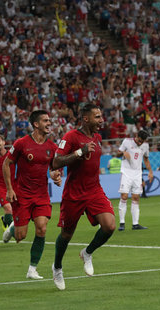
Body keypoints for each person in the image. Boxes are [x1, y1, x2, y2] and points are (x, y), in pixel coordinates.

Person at [51, 103, 116, 290]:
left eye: (101, 116)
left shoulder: (97, 137)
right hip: (74, 193)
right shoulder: (70, 136)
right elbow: (56, 161)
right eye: (97, 117)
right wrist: (80, 152)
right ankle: (57, 267)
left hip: (94, 190)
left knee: (110, 225)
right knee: (67, 234)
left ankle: (87, 253)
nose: (101, 120)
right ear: (86, 119)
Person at [1, 110, 62, 280]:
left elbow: (54, 168)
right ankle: (13, 228)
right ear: (36, 124)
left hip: (41, 195)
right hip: (22, 194)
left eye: (49, 120)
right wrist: (9, 188)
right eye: (45, 121)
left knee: (42, 228)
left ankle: (32, 269)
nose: (49, 123)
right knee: (21, 236)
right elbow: (7, 163)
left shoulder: (52, 147)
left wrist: (56, 176)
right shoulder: (22, 143)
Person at [117, 129, 153, 231]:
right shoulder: (127, 141)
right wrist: (123, 153)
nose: (140, 143)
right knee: (124, 196)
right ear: (136, 136)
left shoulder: (145, 145)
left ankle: (135, 224)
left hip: (137, 174)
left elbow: (146, 159)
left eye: (142, 141)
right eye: (139, 140)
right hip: (126, 172)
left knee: (136, 198)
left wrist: (150, 171)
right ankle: (122, 223)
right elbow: (117, 154)